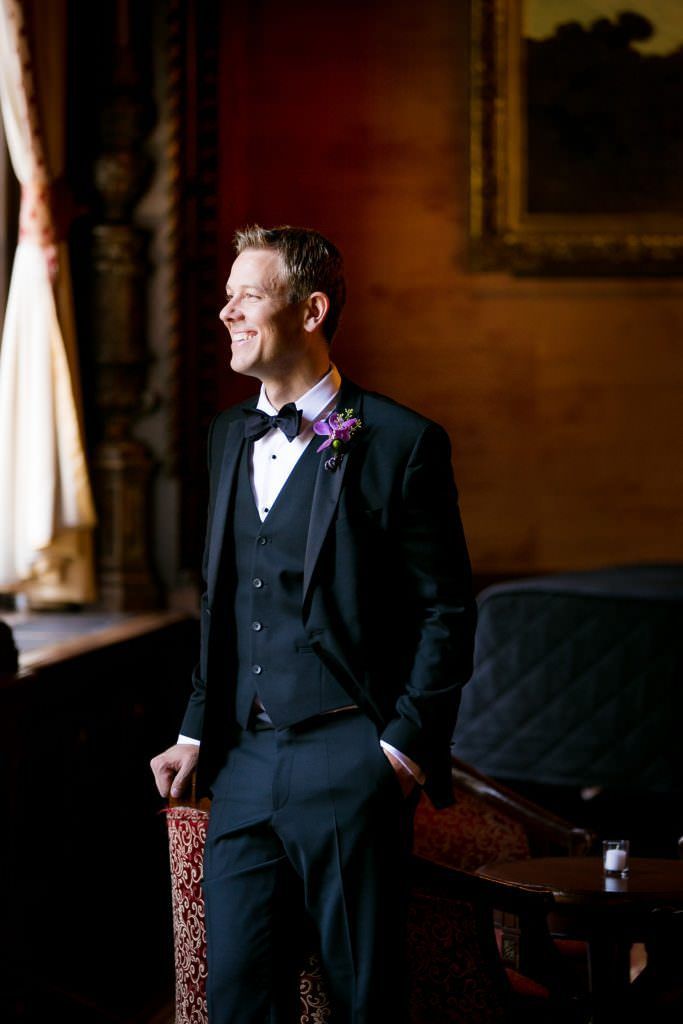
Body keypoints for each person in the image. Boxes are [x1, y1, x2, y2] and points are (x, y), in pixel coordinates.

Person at [151, 225, 476, 1024]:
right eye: (226, 296)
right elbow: (221, 599)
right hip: (245, 759)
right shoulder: (230, 434)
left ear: (311, 309)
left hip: (348, 755)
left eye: (247, 295)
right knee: (236, 999)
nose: (225, 311)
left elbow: (448, 608)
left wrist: (398, 751)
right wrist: (197, 727)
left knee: (363, 998)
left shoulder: (401, 442)